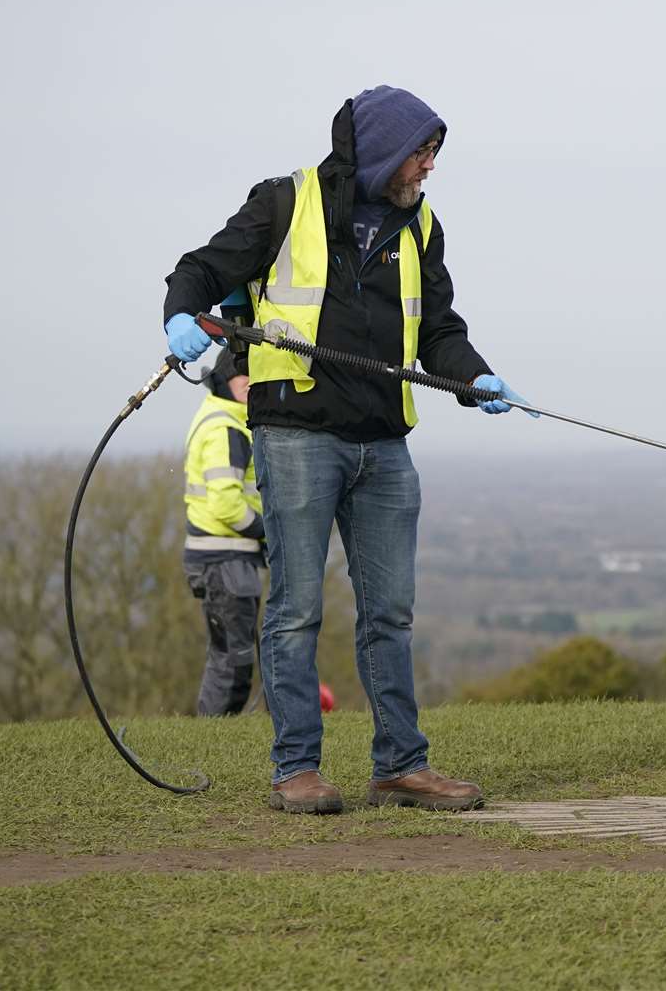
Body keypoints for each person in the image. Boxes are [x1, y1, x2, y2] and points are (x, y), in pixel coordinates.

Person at [162, 86, 527, 814]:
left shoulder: (421, 227)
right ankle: (295, 769)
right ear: (387, 149)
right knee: (295, 610)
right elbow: (201, 269)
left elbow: (438, 330)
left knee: (390, 612)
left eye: (433, 154)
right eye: (421, 153)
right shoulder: (281, 203)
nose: (428, 169)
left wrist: (472, 375)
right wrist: (179, 315)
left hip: (384, 445)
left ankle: (401, 765)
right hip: (296, 435)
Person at [181, 349, 265, 718]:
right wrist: (270, 531)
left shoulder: (221, 419)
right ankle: (215, 733)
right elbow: (227, 505)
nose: (248, 384)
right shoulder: (227, 428)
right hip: (224, 556)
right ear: (224, 382)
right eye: (240, 377)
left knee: (227, 653)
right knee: (234, 658)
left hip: (219, 556)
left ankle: (214, 730)